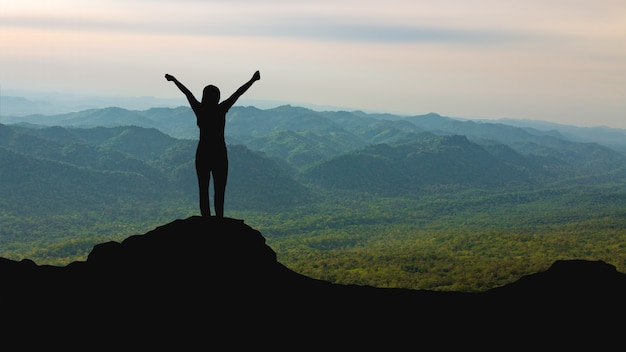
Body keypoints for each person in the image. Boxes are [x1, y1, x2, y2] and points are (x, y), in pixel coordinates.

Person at [165, 70, 260, 218]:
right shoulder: (221, 109)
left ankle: (206, 220)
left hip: (203, 153)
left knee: (203, 189)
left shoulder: (200, 109)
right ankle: (219, 220)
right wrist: (252, 80)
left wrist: (175, 80)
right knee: (219, 189)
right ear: (217, 97)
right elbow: (237, 93)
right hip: (219, 153)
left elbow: (187, 93)